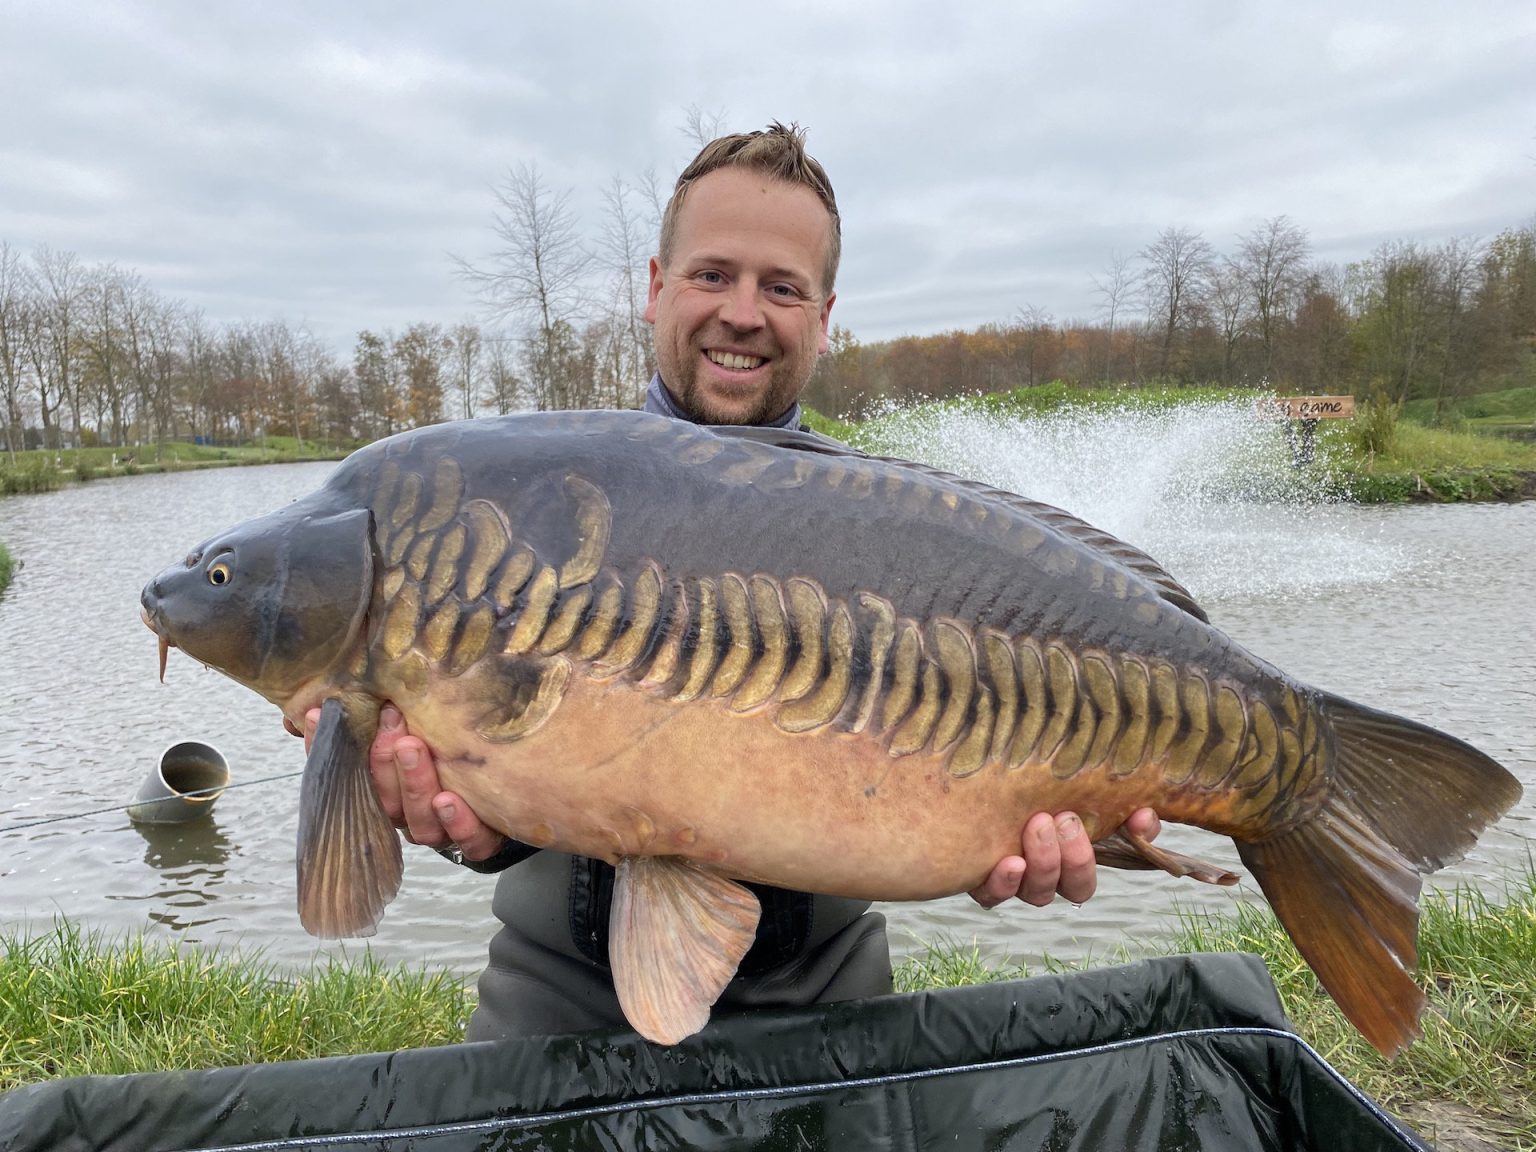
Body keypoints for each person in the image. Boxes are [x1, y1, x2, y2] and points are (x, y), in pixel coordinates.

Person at [306, 123, 1161, 1041]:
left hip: (825, 990)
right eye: (712, 274)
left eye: (781, 288)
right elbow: (512, 747)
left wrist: (995, 826)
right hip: (555, 988)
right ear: (656, 287)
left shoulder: (888, 534)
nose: (743, 313)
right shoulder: (533, 500)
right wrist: (475, 827)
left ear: (824, 317)